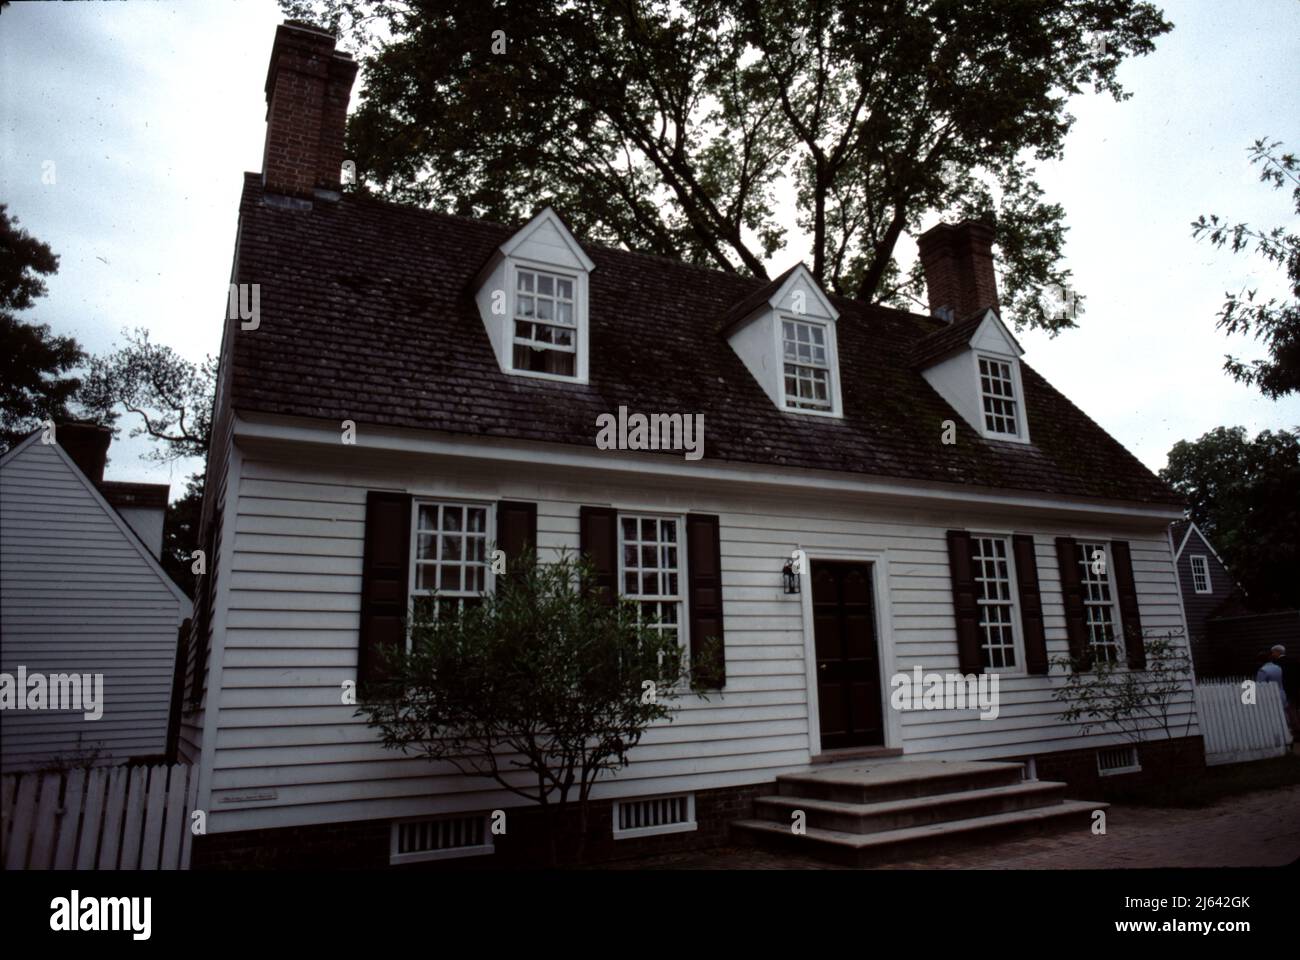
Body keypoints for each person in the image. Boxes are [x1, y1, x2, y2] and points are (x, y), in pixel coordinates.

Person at [1271, 645, 1300, 738]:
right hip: (1295, 688)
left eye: (1273, 652)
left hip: (1285, 689)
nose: (1272, 654)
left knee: (1289, 710)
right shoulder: (1294, 661)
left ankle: (1295, 731)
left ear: (1277, 652)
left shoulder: (1277, 663)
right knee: (1294, 709)